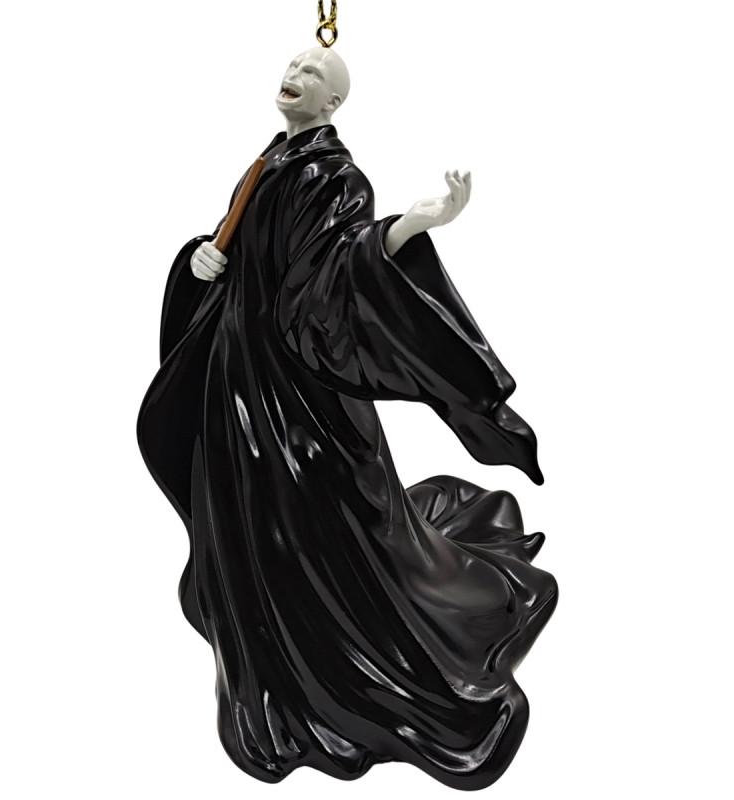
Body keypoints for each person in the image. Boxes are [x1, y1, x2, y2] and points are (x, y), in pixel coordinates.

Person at [137, 46, 557, 791]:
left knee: (317, 520)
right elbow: (241, 245)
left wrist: (410, 226)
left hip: (296, 386)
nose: (295, 74)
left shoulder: (336, 177)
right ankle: (269, 660)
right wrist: (201, 259)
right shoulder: (269, 160)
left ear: (332, 103)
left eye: (314, 74)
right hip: (239, 370)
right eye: (295, 64)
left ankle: (349, 672)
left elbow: (337, 269)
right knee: (248, 514)